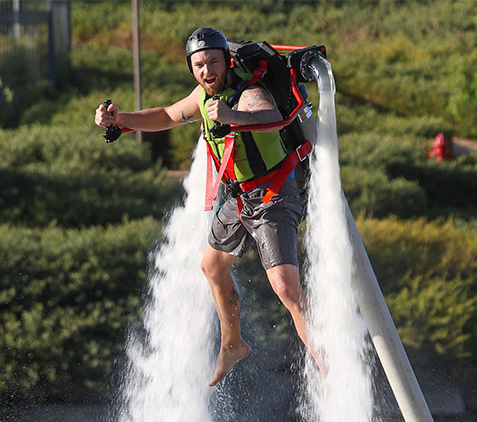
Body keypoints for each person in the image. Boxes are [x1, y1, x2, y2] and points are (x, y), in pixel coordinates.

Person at [95, 27, 320, 387]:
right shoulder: (204, 96)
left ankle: (327, 363)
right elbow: (168, 115)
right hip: (240, 197)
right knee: (212, 267)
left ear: (226, 61)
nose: (206, 71)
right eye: (198, 65)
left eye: (212, 62)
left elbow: (271, 117)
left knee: (285, 289)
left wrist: (234, 117)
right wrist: (120, 121)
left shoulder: (249, 94)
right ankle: (233, 343)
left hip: (274, 194)